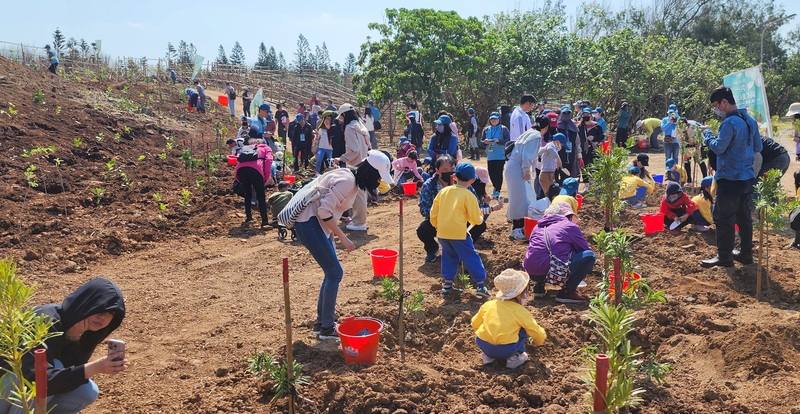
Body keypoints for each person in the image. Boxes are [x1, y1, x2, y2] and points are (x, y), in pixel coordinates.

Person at [294, 151, 394, 340]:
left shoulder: (350, 180)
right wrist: (343, 238)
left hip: (317, 225)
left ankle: (322, 323)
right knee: (335, 273)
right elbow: (324, 211)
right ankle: (326, 327)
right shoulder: (348, 181)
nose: (378, 182)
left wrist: (332, 233)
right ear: (371, 174)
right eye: (379, 177)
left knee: (331, 272)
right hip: (309, 224)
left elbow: (327, 211)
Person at [0, 278, 126, 414]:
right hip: (8, 384)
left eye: (110, 314)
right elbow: (36, 379)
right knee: (52, 370)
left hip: (30, 391)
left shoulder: (86, 331)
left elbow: (67, 374)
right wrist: (94, 368)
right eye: (100, 310)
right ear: (86, 303)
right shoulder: (42, 320)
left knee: (87, 391)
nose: (103, 318)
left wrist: (74, 338)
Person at [701, 86, 763, 267]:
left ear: (725, 102)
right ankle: (745, 254)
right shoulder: (749, 120)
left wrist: (708, 136)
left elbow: (719, 147)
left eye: (716, 105)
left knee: (724, 218)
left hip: (730, 179)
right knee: (744, 218)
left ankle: (725, 257)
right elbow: (758, 147)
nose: (716, 109)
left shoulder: (729, 123)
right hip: (747, 178)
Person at [430, 162, 489, 298]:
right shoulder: (468, 195)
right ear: (473, 180)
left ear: (455, 176)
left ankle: (447, 285)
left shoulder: (443, 192)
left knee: (449, 256)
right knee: (471, 257)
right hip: (459, 234)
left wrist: (436, 225)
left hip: (443, 233)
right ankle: (480, 285)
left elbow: (434, 212)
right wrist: (480, 219)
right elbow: (475, 219)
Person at [471, 269, 547, 369]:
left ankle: (488, 357)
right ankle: (514, 359)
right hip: (507, 349)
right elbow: (536, 331)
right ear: (520, 294)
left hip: (484, 344)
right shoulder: (520, 311)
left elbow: (474, 323)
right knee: (523, 331)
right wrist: (538, 342)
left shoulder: (488, 305)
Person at [524, 202, 595, 303]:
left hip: (531, 272)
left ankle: (539, 286)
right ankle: (567, 292)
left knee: (542, 254)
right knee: (589, 256)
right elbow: (584, 249)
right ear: (567, 215)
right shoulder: (569, 226)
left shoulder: (537, 227)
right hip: (551, 271)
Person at [505, 114, 548, 240]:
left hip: (512, 167)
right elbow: (527, 155)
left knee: (519, 198)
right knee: (521, 200)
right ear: (545, 127)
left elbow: (528, 152)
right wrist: (526, 170)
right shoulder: (535, 136)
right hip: (518, 169)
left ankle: (518, 227)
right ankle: (517, 230)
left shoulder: (529, 132)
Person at [337, 103, 372, 231]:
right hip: (365, 162)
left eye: (341, 116)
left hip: (356, 164)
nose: (341, 119)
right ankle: (359, 219)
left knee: (359, 195)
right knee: (360, 193)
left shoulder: (349, 128)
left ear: (345, 115)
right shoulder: (360, 125)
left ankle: (359, 223)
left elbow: (354, 150)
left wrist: (341, 158)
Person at [417, 155, 455, 263]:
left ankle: (462, 248)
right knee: (423, 230)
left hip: (458, 220)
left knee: (479, 225)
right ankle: (432, 249)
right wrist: (441, 215)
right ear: (437, 170)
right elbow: (424, 209)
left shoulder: (460, 182)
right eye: (445, 170)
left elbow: (473, 199)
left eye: (452, 169)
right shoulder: (429, 185)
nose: (450, 172)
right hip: (437, 221)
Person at [235, 142, 273, 227]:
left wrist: (238, 178)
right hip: (256, 170)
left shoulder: (247, 148)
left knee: (247, 194)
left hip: (241, 170)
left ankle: (249, 218)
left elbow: (238, 161)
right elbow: (268, 161)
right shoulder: (267, 148)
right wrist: (266, 178)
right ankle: (265, 222)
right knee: (260, 196)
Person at [482, 112, 511, 198]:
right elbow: (482, 142)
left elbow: (508, 141)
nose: (493, 120)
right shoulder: (486, 129)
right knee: (491, 173)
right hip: (490, 156)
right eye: (492, 119)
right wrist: (485, 142)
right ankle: (495, 187)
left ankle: (497, 190)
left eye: (495, 119)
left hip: (500, 155)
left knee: (498, 173)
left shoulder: (503, 129)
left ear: (499, 119)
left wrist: (499, 141)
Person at [538, 133, 565, 197]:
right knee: (548, 195)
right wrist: (558, 159)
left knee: (551, 194)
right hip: (545, 175)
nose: (561, 146)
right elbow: (550, 149)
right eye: (561, 144)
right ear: (558, 141)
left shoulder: (555, 148)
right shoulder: (550, 145)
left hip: (550, 174)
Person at [577, 108, 604, 174]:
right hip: (583, 150)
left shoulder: (597, 126)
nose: (586, 116)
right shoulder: (579, 127)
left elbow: (601, 137)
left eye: (587, 114)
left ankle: (593, 181)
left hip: (594, 149)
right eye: (584, 114)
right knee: (584, 167)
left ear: (591, 116)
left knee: (594, 166)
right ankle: (586, 182)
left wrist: (594, 137)